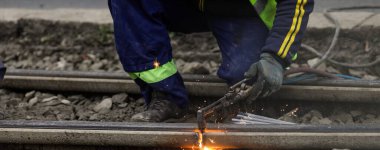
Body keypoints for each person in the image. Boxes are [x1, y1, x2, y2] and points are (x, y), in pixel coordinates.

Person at [108, 0, 314, 122]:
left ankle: (248, 98)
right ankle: (165, 94)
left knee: (246, 75)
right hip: (183, 5)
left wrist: (275, 56)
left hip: (239, 10)